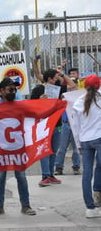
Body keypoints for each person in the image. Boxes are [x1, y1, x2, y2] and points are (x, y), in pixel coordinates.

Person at [0, 77, 36, 216]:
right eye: (10, 89)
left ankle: (26, 205)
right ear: (2, 91)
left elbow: (37, 111)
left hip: (18, 148)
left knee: (21, 176)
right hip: (1, 149)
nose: (13, 91)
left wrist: (51, 103)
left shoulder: (20, 105)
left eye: (15, 89)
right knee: (0, 177)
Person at [30, 68, 75, 187]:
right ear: (49, 79)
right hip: (44, 124)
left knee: (53, 150)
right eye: (55, 78)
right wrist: (39, 101)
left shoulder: (58, 89)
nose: (57, 80)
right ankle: (45, 175)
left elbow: (72, 85)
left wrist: (63, 75)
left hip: (57, 124)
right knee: (44, 150)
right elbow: (30, 107)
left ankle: (50, 175)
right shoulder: (38, 90)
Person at [71, 74, 101, 218]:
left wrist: (78, 144)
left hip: (84, 140)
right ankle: (98, 192)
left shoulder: (78, 102)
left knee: (86, 174)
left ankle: (90, 207)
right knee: (99, 167)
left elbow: (75, 126)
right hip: (99, 137)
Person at [55, 68, 81, 175]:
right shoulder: (64, 93)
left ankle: (76, 166)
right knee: (62, 147)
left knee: (76, 148)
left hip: (75, 123)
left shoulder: (79, 95)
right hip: (65, 122)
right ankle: (59, 167)